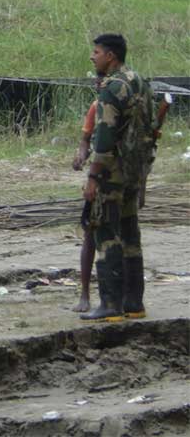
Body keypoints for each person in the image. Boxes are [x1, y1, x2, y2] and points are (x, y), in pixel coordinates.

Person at [81, 33, 151, 322]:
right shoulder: (138, 81)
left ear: (110, 56)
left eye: (96, 52)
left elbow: (106, 135)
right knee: (131, 233)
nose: (92, 57)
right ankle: (134, 303)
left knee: (106, 234)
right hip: (136, 170)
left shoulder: (111, 87)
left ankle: (110, 304)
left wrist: (94, 176)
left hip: (112, 172)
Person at [72, 79, 101, 313]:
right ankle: (85, 294)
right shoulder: (96, 107)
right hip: (98, 179)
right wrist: (81, 156)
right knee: (90, 235)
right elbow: (85, 140)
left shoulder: (124, 107)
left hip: (114, 178)